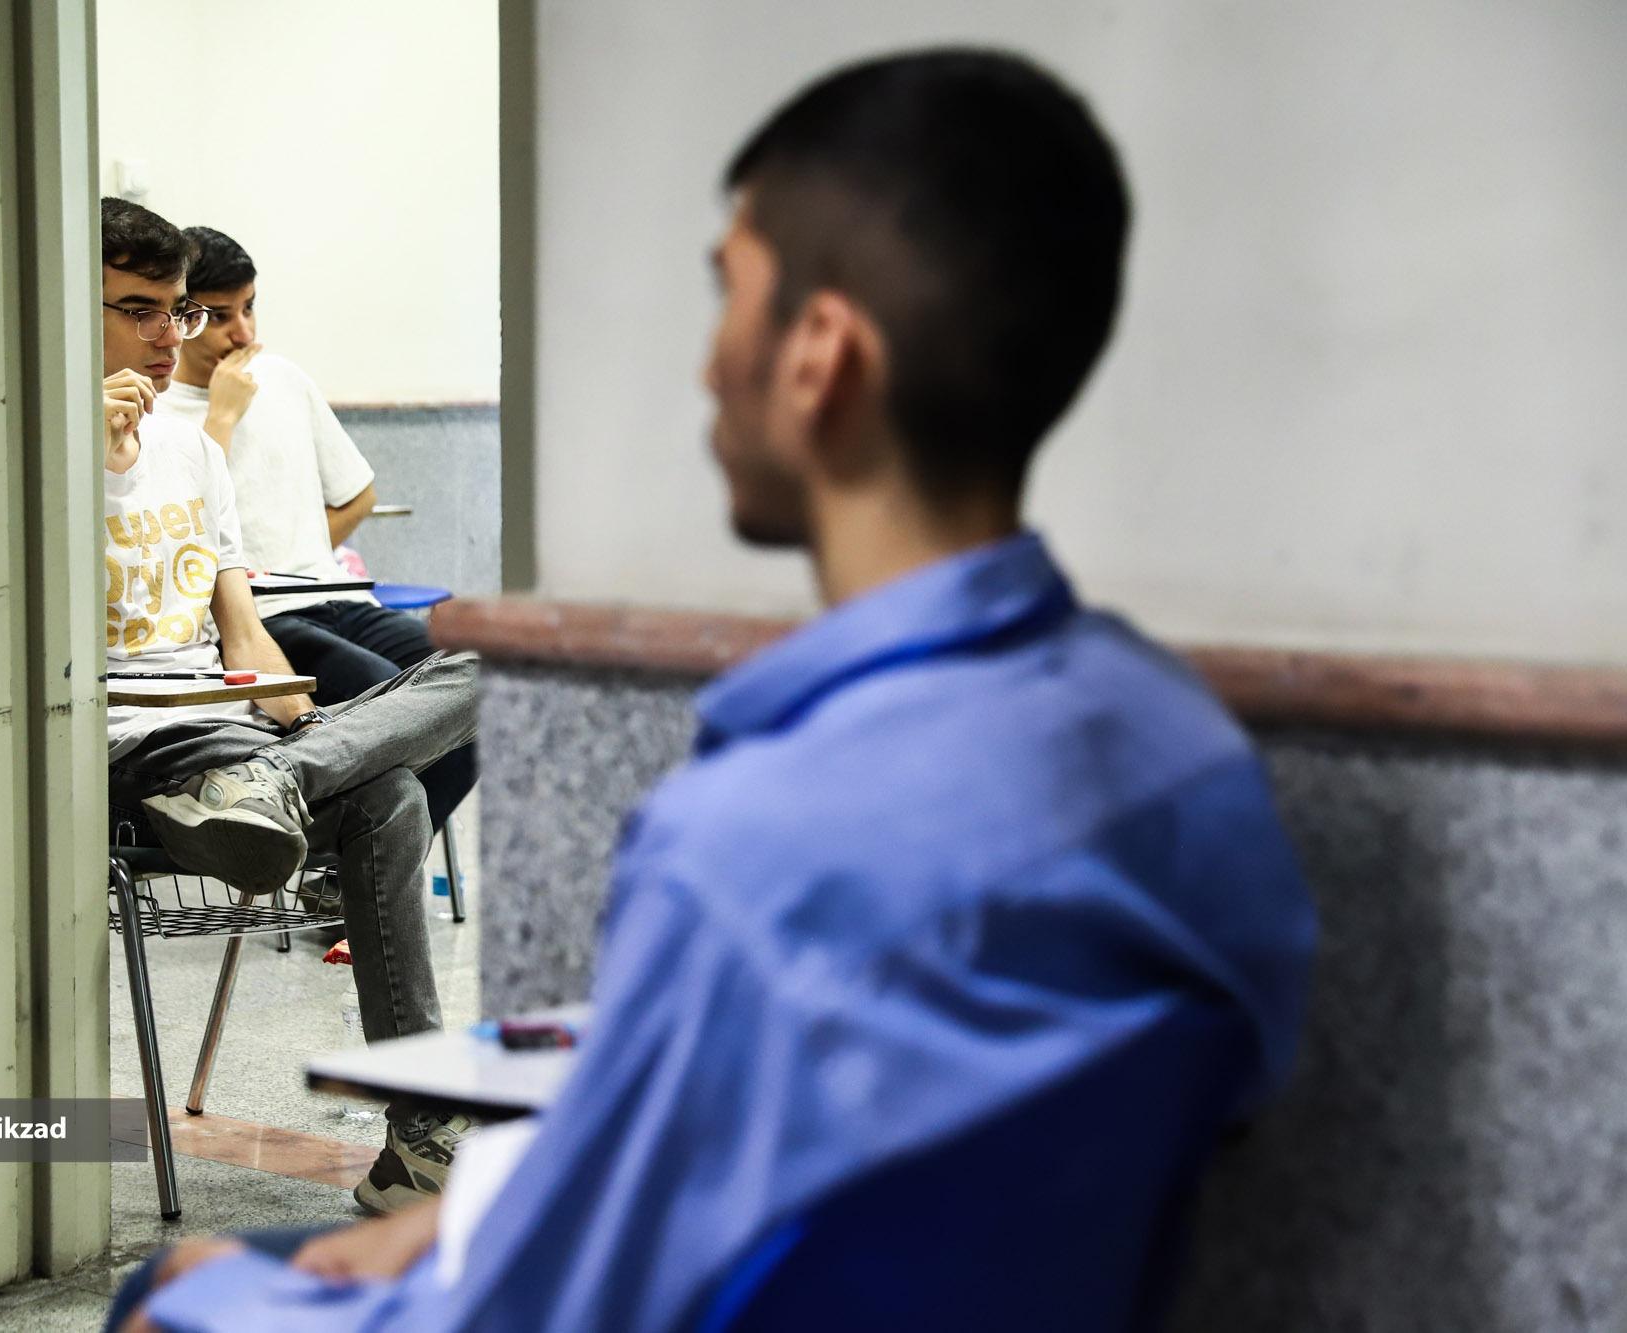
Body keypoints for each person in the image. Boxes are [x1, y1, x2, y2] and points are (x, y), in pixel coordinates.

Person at [111, 48, 1317, 1332]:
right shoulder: (1188, 756)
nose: (705, 366)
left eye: (728, 297)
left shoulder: (752, 841)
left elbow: (577, 1304)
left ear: (821, 357)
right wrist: (481, 1220)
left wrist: (231, 1297)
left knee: (175, 1291)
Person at [98, 196, 478, 1215]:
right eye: (138, 310)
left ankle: (415, 1145)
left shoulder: (193, 452)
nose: (167, 335)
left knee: (493, 674)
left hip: (231, 739)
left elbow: (242, 633)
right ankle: (424, 1138)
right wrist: (77, 460)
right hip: (128, 751)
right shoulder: (29, 458)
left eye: (177, 310)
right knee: (391, 791)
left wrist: (299, 717)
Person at [152, 225, 477, 832]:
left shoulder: (284, 379)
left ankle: (361, 867)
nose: (243, 333)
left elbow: (359, 495)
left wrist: (295, 548)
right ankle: (349, 865)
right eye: (220, 316)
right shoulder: (160, 408)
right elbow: (184, 525)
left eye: (250, 308)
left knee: (479, 697)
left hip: (337, 596)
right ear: (184, 317)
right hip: (262, 617)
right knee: (394, 707)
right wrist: (222, 415)